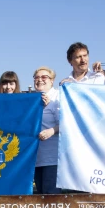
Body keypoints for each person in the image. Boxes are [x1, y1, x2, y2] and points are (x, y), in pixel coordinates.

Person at [33, 66, 60, 194]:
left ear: (52, 80)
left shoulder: (57, 96)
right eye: (37, 77)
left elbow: (67, 124)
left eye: (44, 77)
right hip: (35, 159)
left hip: (52, 159)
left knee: (51, 202)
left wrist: (51, 131)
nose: (40, 80)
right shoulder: (32, 99)